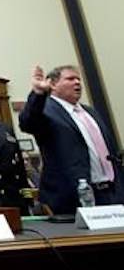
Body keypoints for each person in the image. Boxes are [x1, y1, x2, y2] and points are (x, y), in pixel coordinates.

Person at [19, 65, 124, 214]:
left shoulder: (90, 111)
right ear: (53, 84)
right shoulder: (47, 110)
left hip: (112, 193)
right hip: (73, 198)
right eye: (70, 79)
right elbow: (28, 122)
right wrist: (38, 93)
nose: (77, 83)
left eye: (78, 79)